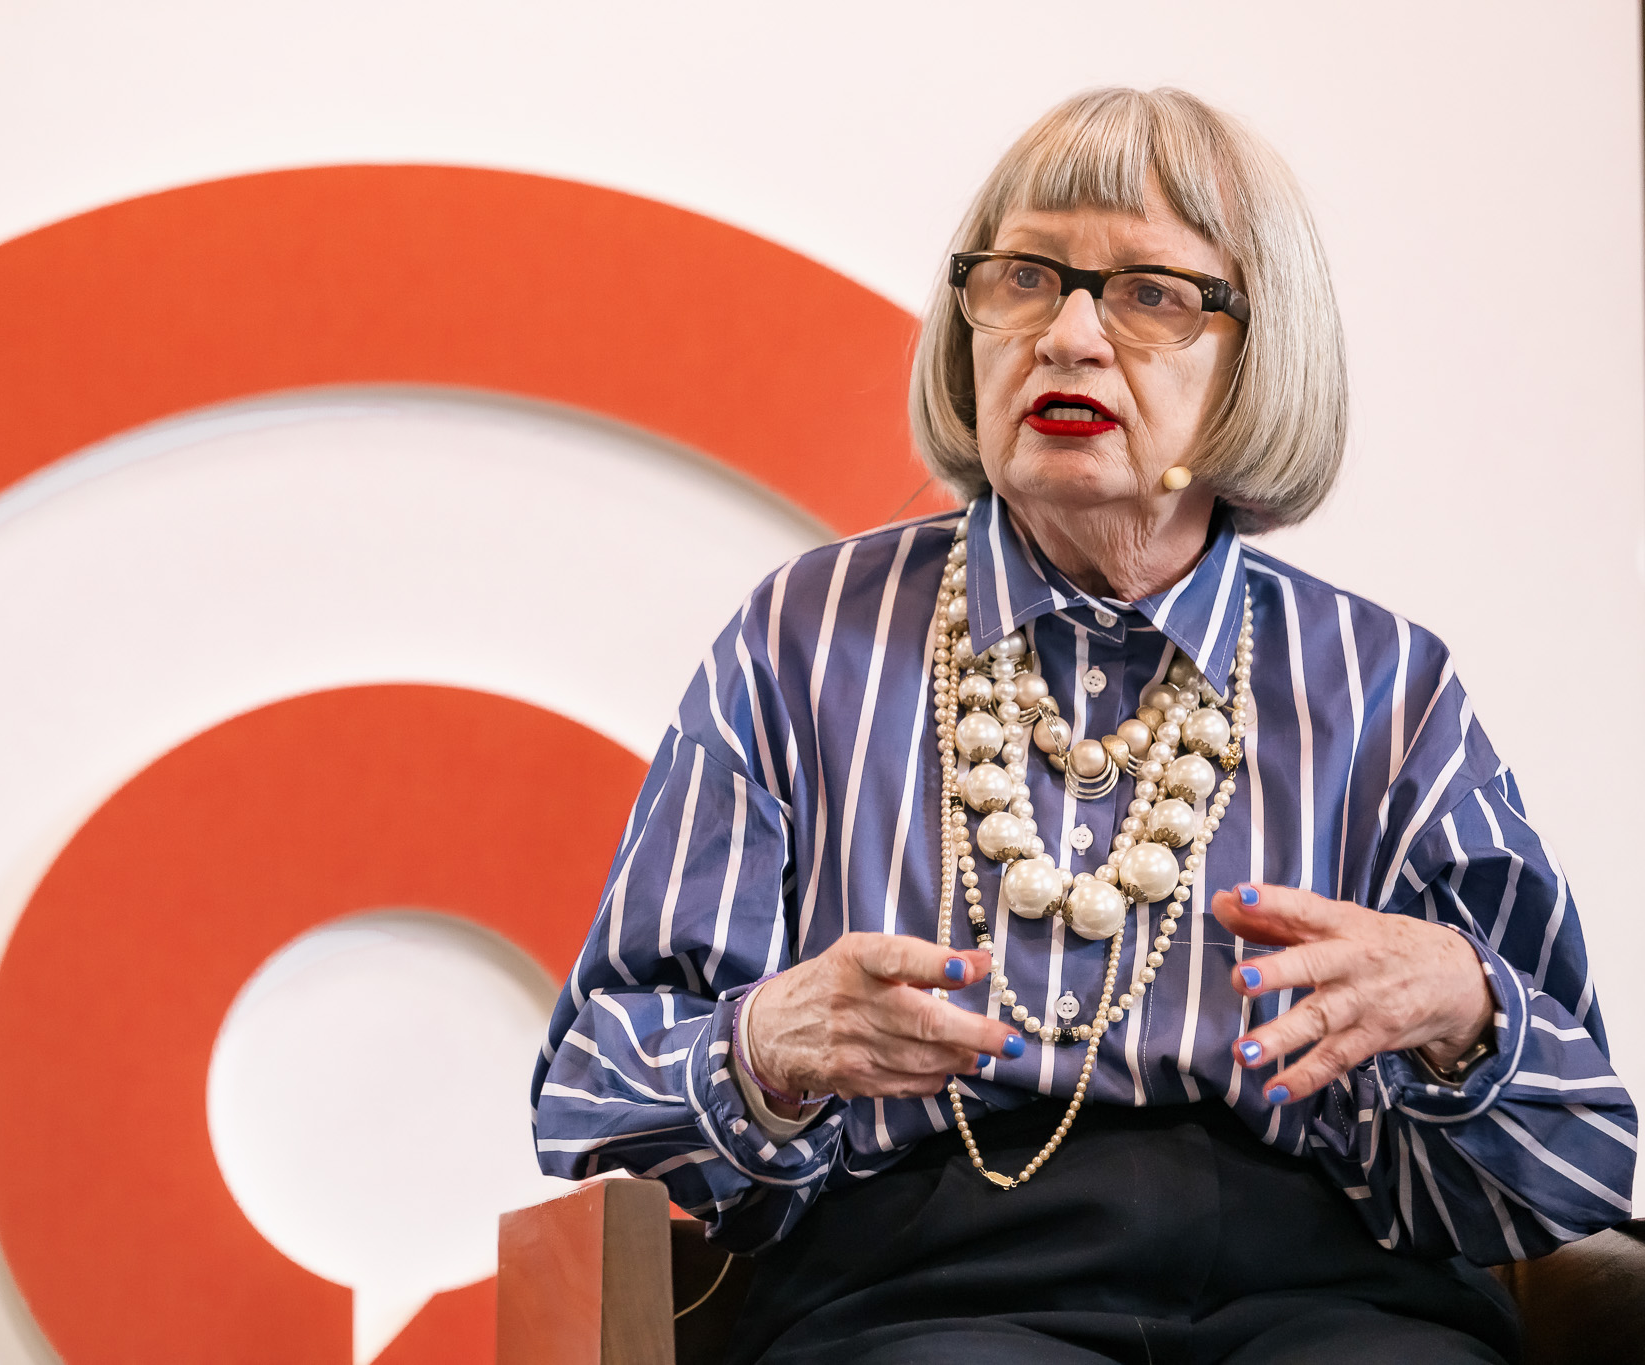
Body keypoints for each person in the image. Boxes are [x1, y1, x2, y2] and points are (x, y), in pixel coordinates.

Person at [529, 88, 1636, 1364]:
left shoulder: (1384, 683)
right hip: (925, 1288)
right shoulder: (802, 637)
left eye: (1148, 294)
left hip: (1339, 1288)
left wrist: (1463, 1012)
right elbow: (590, 1091)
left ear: (1254, 355)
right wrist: (767, 1046)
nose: (1064, 336)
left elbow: (1579, 1163)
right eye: (1020, 278)